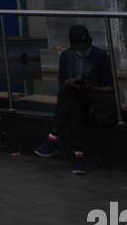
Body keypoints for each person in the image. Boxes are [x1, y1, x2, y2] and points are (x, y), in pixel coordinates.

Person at [34, 25, 115, 174]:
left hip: (96, 98)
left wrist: (92, 88)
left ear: (90, 41)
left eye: (85, 45)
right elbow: (62, 84)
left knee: (69, 96)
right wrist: (73, 83)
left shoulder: (101, 56)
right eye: (78, 47)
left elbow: (111, 88)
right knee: (72, 103)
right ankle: (79, 156)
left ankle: (54, 137)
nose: (83, 49)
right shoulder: (66, 56)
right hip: (75, 98)